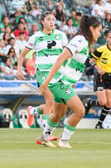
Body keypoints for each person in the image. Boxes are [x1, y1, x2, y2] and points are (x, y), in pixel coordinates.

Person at [37, 15, 102, 148]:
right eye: (98, 30)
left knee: (58, 113)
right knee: (80, 110)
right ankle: (64, 140)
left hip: (63, 82)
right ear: (91, 29)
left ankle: (44, 136)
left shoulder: (85, 43)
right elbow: (61, 58)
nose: (99, 34)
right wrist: (46, 81)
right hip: (60, 82)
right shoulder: (80, 40)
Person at [17, 12, 68, 142]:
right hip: (43, 73)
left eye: (53, 20)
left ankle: (32, 111)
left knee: (55, 105)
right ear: (42, 22)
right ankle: (47, 134)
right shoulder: (36, 37)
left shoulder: (61, 35)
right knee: (50, 101)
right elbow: (22, 55)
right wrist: (19, 70)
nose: (51, 22)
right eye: (48, 20)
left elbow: (67, 55)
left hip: (58, 73)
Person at [84, 31, 111, 129]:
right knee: (102, 102)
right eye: (110, 37)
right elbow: (90, 61)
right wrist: (98, 69)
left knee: (109, 103)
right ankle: (90, 102)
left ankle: (99, 124)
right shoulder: (101, 49)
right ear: (107, 39)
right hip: (100, 77)